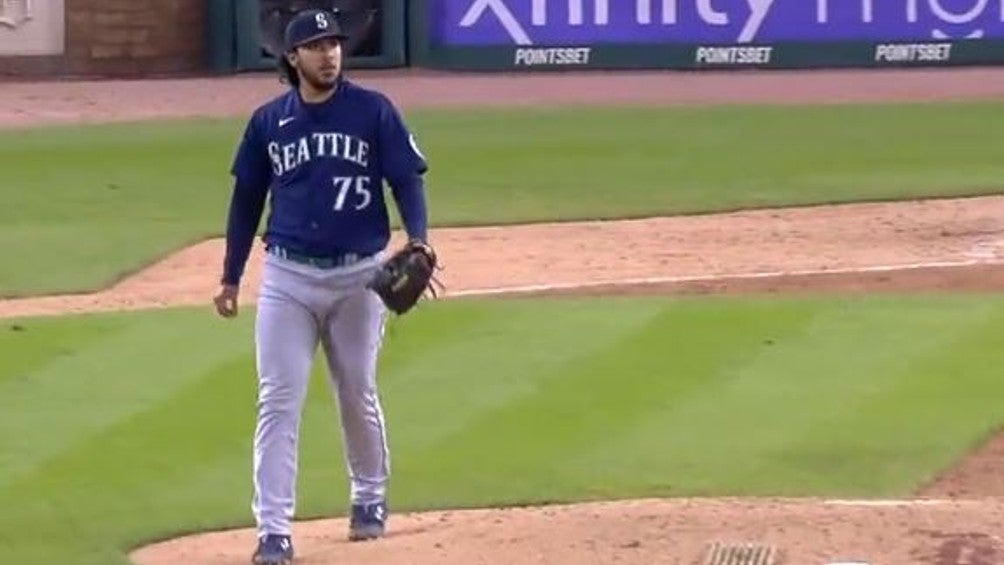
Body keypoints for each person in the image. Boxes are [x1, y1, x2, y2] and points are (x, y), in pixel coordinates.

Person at [212, 8, 431, 565]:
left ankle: (369, 496)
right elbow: (246, 201)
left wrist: (418, 238)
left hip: (360, 277)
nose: (329, 53)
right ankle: (273, 530)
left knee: (356, 390)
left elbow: (406, 179)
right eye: (315, 46)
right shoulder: (268, 122)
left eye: (333, 43)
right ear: (293, 58)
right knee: (277, 400)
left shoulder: (373, 110)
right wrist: (231, 275)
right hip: (287, 277)